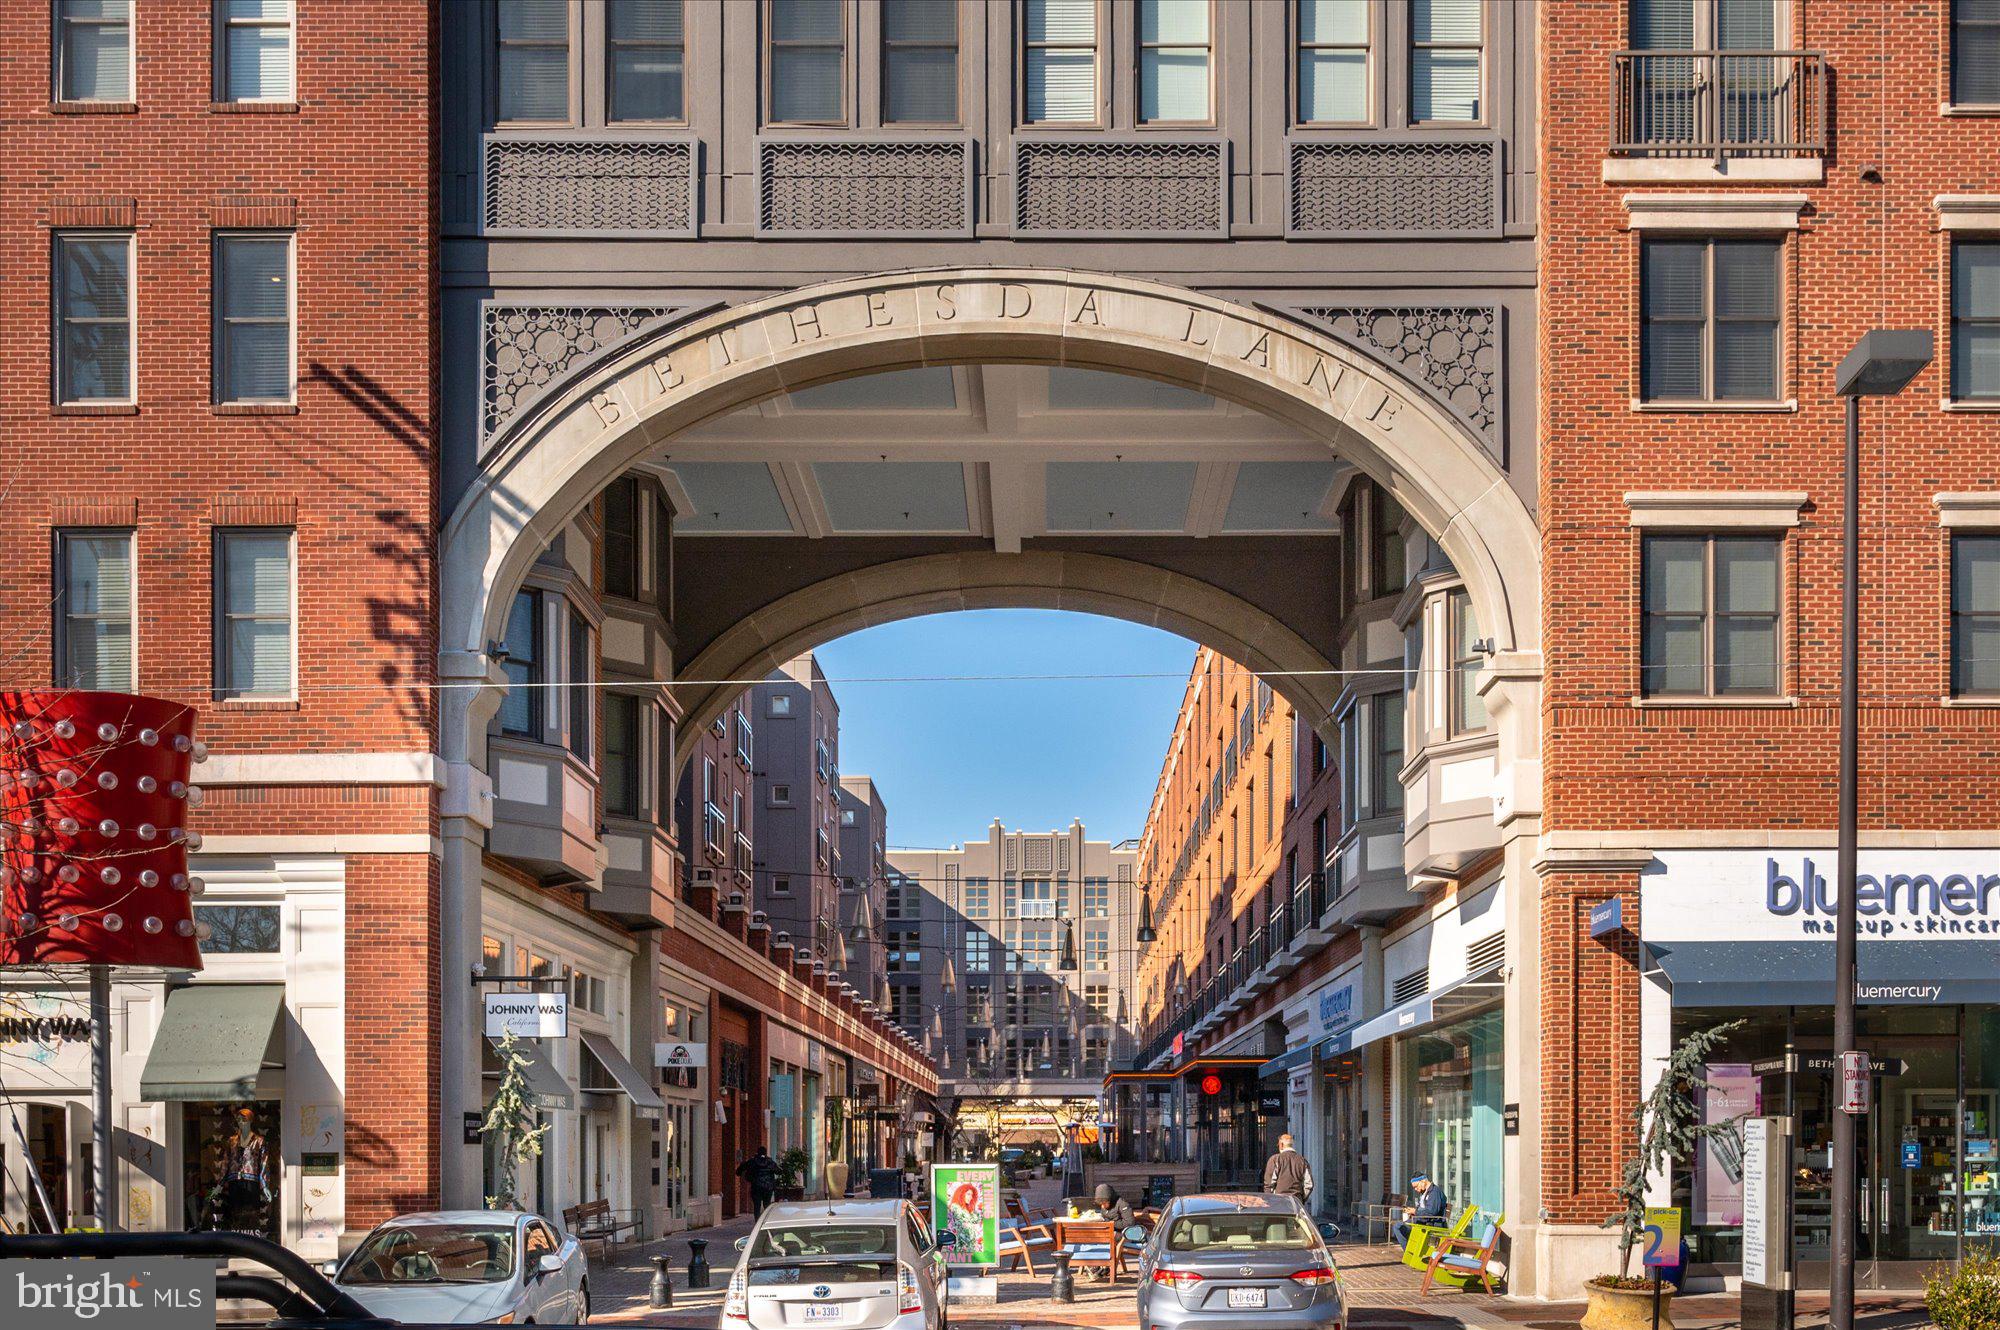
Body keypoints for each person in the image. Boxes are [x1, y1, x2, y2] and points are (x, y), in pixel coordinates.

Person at [1390, 1173, 1448, 1248]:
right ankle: (1411, 1251)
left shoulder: (1434, 1192)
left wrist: (1415, 1212)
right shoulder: (1424, 1193)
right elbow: (1423, 1209)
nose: (1416, 1189)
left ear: (1423, 1181)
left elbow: (1431, 1213)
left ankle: (1409, 1253)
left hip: (1430, 1224)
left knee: (1399, 1227)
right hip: (1422, 1221)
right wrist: (1412, 1211)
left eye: (1416, 1186)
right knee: (1399, 1226)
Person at [1261, 1133, 1313, 1202]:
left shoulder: (1275, 1160)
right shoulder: (1302, 1161)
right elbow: (1309, 1185)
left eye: (1278, 1145)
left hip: (1278, 1201)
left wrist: (1270, 1201)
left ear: (1281, 1145)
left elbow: (1269, 1184)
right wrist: (1301, 1199)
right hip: (1296, 1202)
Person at [737, 1146, 780, 1216]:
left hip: (756, 1187)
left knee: (757, 1206)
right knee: (767, 1205)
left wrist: (741, 1173)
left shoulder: (752, 1161)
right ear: (765, 1153)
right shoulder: (770, 1162)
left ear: (757, 1152)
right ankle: (766, 1221)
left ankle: (757, 1222)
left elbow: (739, 1170)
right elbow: (778, 1171)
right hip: (768, 1187)